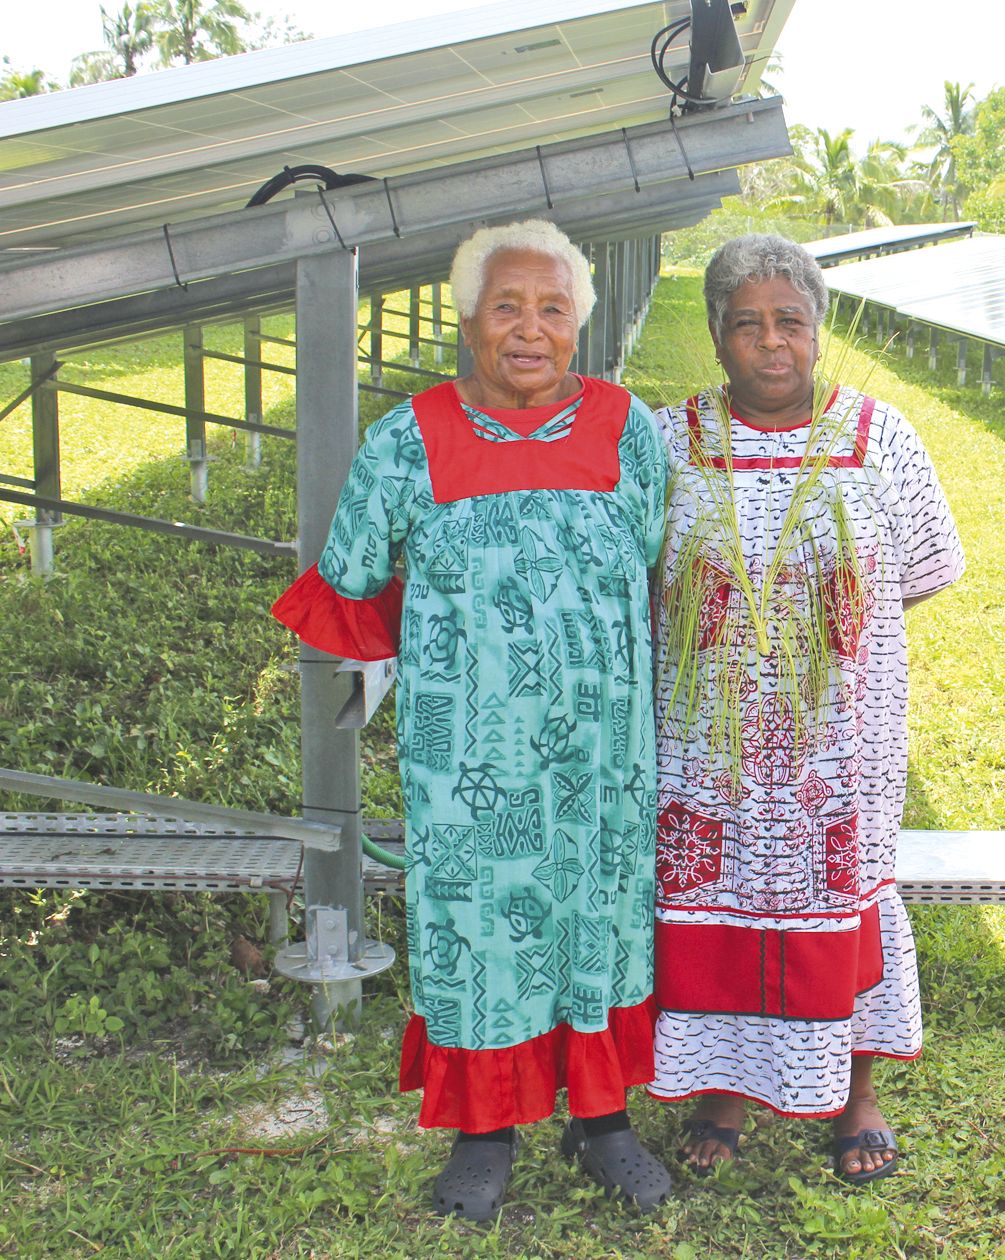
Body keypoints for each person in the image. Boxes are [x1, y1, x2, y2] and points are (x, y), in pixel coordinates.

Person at [271, 219, 671, 1221]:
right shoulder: (410, 441)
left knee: (598, 921)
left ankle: (603, 1122)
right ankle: (483, 1136)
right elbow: (355, 584)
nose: (529, 330)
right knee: (480, 935)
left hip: (604, 760)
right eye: (506, 307)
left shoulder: (629, 430)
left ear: (579, 320)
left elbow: (650, 563)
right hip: (471, 767)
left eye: (551, 308)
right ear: (467, 321)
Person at [644, 234, 965, 1184]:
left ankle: (857, 1093)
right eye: (747, 324)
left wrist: (820, 643)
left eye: (790, 321)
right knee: (716, 895)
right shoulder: (669, 440)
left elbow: (918, 575)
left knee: (844, 897)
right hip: (705, 744)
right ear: (715, 335)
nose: (771, 343)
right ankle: (721, 1090)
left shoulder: (882, 435)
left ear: (818, 332)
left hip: (842, 743)